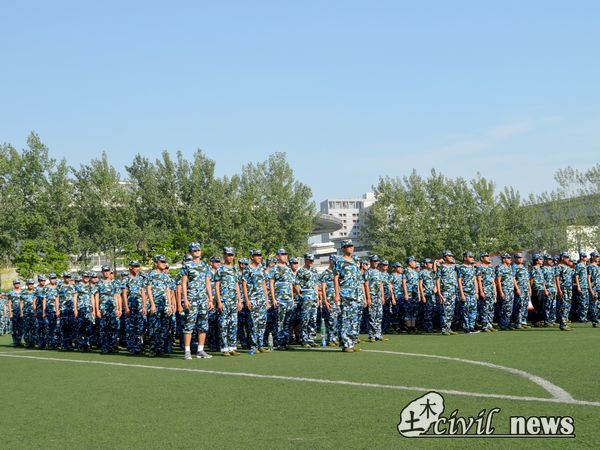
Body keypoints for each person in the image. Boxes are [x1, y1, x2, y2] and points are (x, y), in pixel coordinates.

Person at [180, 243, 213, 360]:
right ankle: (187, 351)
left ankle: (200, 350)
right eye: (194, 250)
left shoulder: (205, 265)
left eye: (198, 250)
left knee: (203, 325)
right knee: (189, 324)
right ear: (190, 252)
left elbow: (208, 283)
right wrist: (185, 299)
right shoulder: (187, 265)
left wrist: (210, 299)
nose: (197, 252)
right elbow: (184, 283)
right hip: (192, 298)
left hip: (203, 298)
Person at [333, 239, 363, 352]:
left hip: (357, 294)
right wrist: (337, 294)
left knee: (355, 320)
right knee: (345, 319)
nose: (351, 248)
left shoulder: (355, 261)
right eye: (348, 246)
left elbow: (359, 280)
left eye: (352, 246)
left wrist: (363, 296)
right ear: (343, 248)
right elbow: (336, 278)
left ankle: (352, 343)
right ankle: (346, 344)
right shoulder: (339, 261)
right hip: (346, 294)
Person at [241, 250, 271, 354]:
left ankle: (260, 345)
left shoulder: (261, 268)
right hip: (252, 299)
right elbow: (244, 284)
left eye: (260, 255)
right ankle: (253, 346)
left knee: (262, 323)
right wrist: (247, 300)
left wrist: (267, 300)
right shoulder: (247, 269)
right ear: (252, 257)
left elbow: (263, 284)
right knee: (253, 323)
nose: (259, 257)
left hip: (261, 299)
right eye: (257, 255)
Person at [215, 247, 242, 356]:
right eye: (228, 255)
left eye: (232, 255)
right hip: (224, 300)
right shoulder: (220, 269)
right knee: (223, 324)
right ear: (224, 255)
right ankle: (224, 348)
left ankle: (232, 347)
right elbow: (217, 286)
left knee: (233, 324)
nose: (230, 257)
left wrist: (239, 300)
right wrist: (219, 301)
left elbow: (237, 285)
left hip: (233, 301)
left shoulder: (235, 269)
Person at [146, 255, 172, 356]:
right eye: (162, 262)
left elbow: (168, 290)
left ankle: (160, 349)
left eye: (165, 262)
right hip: (155, 303)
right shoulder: (151, 275)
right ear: (156, 263)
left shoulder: (166, 276)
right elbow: (148, 289)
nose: (164, 263)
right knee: (154, 327)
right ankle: (153, 349)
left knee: (164, 327)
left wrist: (169, 305)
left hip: (164, 304)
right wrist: (152, 304)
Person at [269, 248, 295, 351]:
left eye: (286, 254)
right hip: (279, 299)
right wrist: (273, 299)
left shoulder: (288, 269)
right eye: (282, 254)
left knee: (287, 322)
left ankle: (285, 342)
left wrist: (292, 298)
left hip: (288, 299)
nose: (285, 256)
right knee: (279, 321)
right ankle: (279, 343)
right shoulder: (274, 268)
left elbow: (290, 284)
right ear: (277, 256)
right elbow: (271, 283)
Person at [122, 261, 147, 355]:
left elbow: (143, 293)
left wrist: (144, 306)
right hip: (130, 305)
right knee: (130, 327)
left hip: (139, 306)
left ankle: (138, 346)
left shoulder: (141, 279)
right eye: (135, 266)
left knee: (140, 327)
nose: (137, 268)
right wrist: (126, 307)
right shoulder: (126, 279)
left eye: (138, 266)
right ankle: (131, 347)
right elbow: (124, 294)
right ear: (130, 267)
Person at [294, 253, 320, 348]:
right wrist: (300, 295)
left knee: (313, 319)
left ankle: (311, 339)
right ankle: (304, 339)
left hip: (313, 297)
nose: (311, 262)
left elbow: (316, 284)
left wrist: (317, 297)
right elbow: (296, 284)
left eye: (312, 260)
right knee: (305, 319)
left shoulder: (314, 270)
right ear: (305, 260)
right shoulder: (301, 271)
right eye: (310, 260)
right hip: (305, 296)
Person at [95, 266, 122, 354]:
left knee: (113, 328)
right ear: (102, 272)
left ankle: (113, 346)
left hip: (113, 308)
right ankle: (104, 346)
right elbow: (96, 296)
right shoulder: (99, 283)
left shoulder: (114, 283)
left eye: (108, 271)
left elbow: (117, 296)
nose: (106, 272)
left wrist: (119, 308)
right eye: (104, 271)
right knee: (103, 328)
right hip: (103, 308)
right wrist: (97, 310)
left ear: (110, 272)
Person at [495, 254, 520, 331]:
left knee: (509, 308)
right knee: (504, 307)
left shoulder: (510, 268)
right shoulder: (500, 267)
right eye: (508, 258)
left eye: (510, 258)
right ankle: (503, 324)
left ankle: (507, 323)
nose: (510, 259)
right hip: (505, 290)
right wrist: (501, 292)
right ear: (504, 259)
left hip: (511, 290)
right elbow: (498, 281)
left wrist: (517, 288)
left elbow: (513, 279)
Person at [436, 251, 458, 336]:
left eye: (451, 256)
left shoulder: (453, 267)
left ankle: (449, 328)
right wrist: (439, 292)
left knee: (451, 311)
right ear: (444, 257)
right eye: (449, 256)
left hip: (453, 292)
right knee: (445, 311)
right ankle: (444, 329)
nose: (451, 257)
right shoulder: (441, 267)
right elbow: (438, 280)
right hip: (445, 292)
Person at [457, 252, 479, 334]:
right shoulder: (460, 268)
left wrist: (477, 292)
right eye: (470, 257)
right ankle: (466, 328)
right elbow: (459, 281)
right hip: (465, 292)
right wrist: (462, 294)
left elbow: (475, 280)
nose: (472, 258)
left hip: (472, 292)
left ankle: (471, 327)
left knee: (473, 310)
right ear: (465, 258)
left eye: (472, 257)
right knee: (465, 310)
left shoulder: (473, 268)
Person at [364, 255, 385, 342]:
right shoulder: (368, 272)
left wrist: (382, 296)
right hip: (371, 296)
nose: (376, 262)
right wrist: (368, 298)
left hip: (378, 296)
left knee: (379, 315)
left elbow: (381, 284)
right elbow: (366, 285)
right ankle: (371, 335)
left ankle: (378, 334)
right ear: (371, 262)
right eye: (374, 261)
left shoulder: (378, 272)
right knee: (372, 316)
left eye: (377, 261)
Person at [320, 255, 339, 346]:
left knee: (336, 319)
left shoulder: (337, 272)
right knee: (330, 319)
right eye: (333, 261)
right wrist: (325, 300)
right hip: (329, 299)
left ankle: (335, 337)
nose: (334, 262)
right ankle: (330, 338)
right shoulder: (325, 273)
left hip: (336, 299)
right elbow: (323, 288)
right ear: (329, 261)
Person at [476, 252, 496, 332]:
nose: (488, 257)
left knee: (491, 308)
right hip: (485, 290)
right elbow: (479, 280)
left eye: (488, 256)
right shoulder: (480, 267)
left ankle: (489, 324)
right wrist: (481, 291)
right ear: (482, 258)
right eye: (486, 256)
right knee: (485, 308)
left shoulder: (491, 268)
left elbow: (493, 280)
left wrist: (495, 291)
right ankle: (485, 325)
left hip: (491, 291)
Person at [58, 273, 78, 350]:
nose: (67, 278)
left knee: (71, 327)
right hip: (63, 310)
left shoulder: (73, 286)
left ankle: (70, 343)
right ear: (63, 277)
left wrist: (75, 309)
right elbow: (57, 298)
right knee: (63, 327)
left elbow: (75, 298)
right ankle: (64, 344)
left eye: (69, 277)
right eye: (66, 277)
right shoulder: (59, 286)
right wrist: (57, 309)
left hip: (71, 310)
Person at [555, 252, 575, 332]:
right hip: (563, 288)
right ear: (562, 258)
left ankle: (565, 322)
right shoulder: (559, 267)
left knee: (567, 306)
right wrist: (559, 290)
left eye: (568, 257)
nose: (568, 259)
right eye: (566, 257)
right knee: (563, 306)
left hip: (569, 288)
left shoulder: (568, 267)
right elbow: (557, 279)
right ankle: (563, 324)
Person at [75, 272, 95, 351]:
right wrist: (75, 309)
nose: (86, 278)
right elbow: (75, 297)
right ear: (82, 277)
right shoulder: (78, 285)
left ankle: (87, 344)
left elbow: (92, 297)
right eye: (85, 276)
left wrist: (93, 310)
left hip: (89, 309)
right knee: (80, 327)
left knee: (89, 327)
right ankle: (80, 344)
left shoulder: (91, 286)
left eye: (88, 277)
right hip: (81, 309)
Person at [403, 256, 422, 333]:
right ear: (410, 262)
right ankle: (409, 327)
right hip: (409, 293)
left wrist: (419, 294)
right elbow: (404, 282)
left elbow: (418, 284)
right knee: (408, 310)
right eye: (414, 261)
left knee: (414, 310)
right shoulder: (406, 271)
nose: (415, 263)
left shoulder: (416, 272)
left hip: (415, 294)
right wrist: (406, 293)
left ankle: (413, 327)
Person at [512, 253, 531, 329]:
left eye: (521, 257)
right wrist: (517, 289)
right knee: (519, 305)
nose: (520, 259)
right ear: (515, 259)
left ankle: (523, 321)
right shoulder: (514, 267)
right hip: (520, 288)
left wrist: (529, 288)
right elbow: (513, 278)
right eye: (518, 258)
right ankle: (518, 322)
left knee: (525, 305)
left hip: (526, 289)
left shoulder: (524, 267)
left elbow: (527, 279)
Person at [529, 254, 547, 327]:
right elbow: (531, 279)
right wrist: (530, 289)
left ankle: (539, 320)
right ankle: (535, 321)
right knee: (536, 305)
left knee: (541, 305)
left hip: (541, 288)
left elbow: (542, 281)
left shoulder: (540, 269)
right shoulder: (534, 268)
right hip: (536, 289)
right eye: (540, 259)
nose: (542, 261)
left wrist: (545, 289)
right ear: (536, 261)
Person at [418, 259, 435, 332]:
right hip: (426, 294)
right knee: (426, 311)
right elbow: (420, 285)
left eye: (431, 263)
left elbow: (434, 281)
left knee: (431, 311)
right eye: (429, 263)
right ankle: (427, 327)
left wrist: (435, 287)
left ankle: (429, 326)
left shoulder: (432, 272)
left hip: (432, 295)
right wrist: (422, 296)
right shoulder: (421, 272)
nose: (431, 264)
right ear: (425, 264)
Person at [44, 273, 60, 349]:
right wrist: (43, 311)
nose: (53, 280)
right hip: (48, 310)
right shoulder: (46, 288)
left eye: (54, 278)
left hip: (56, 311)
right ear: (49, 279)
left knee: (56, 328)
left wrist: (58, 310)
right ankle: (49, 343)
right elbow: (44, 300)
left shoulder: (58, 287)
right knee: (49, 327)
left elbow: (59, 299)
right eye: (52, 278)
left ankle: (55, 343)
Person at [575, 252, 592, 322]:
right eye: (585, 256)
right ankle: (581, 318)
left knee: (586, 303)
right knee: (582, 302)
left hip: (586, 286)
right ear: (581, 257)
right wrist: (578, 286)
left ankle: (584, 317)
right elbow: (576, 276)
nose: (586, 258)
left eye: (586, 256)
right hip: (582, 286)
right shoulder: (579, 265)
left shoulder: (586, 266)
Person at [542, 255, 558, 326]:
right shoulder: (542, 269)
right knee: (547, 306)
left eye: (550, 259)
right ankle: (547, 320)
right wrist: (545, 290)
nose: (550, 261)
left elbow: (554, 279)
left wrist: (556, 288)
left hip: (553, 289)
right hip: (547, 288)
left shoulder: (552, 269)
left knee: (553, 306)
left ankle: (552, 320)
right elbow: (542, 280)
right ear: (545, 260)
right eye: (548, 259)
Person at [21, 279, 37, 348]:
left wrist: (36, 312)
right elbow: (21, 303)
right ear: (27, 284)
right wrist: (21, 312)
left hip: (34, 313)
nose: (31, 285)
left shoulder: (36, 292)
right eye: (29, 284)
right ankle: (27, 342)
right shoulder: (23, 293)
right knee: (26, 328)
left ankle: (33, 342)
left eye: (32, 284)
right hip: (26, 313)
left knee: (34, 328)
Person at [33, 275, 47, 348]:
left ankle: (47, 341)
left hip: (48, 311)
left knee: (47, 326)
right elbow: (34, 301)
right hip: (39, 311)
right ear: (39, 281)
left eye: (44, 280)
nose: (43, 282)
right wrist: (35, 312)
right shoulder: (36, 289)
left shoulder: (47, 288)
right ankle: (40, 342)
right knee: (40, 327)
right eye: (41, 280)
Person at [7, 280, 23, 346]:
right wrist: (10, 313)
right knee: (14, 327)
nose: (17, 284)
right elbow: (9, 303)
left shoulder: (23, 292)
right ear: (13, 284)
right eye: (16, 283)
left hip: (21, 312)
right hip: (14, 312)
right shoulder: (11, 292)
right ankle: (15, 341)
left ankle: (19, 340)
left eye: (18, 283)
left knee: (20, 327)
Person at [589, 251, 600, 328]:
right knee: (594, 305)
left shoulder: (598, 267)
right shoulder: (590, 266)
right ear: (592, 257)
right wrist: (591, 290)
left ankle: (598, 320)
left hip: (599, 287)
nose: (598, 258)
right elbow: (588, 278)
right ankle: (595, 321)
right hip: (594, 288)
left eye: (598, 256)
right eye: (596, 256)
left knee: (599, 305)